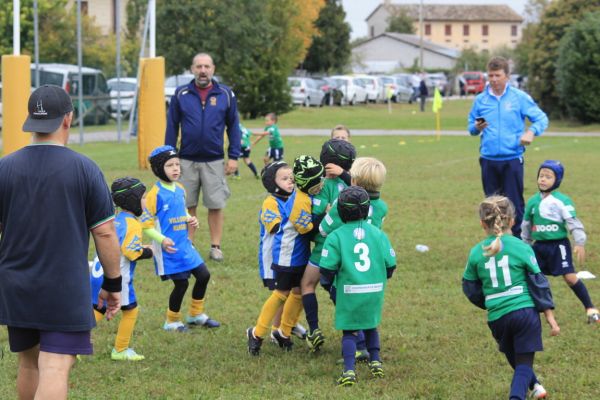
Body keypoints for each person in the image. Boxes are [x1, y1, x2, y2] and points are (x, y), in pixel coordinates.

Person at [0, 85, 122, 400]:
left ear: (30, 119)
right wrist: (113, 281)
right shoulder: (84, 169)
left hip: (16, 285)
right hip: (63, 287)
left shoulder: (5, 168)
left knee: (29, 364)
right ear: (68, 119)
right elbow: (106, 233)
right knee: (54, 366)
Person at [463, 196, 560, 400]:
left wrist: (490, 301)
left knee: (514, 356)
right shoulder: (522, 247)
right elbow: (539, 282)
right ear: (513, 221)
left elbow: (470, 288)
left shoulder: (476, 253)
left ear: (482, 223)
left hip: (497, 317)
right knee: (523, 363)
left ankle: (535, 386)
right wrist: (549, 314)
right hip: (524, 313)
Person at [165, 52, 241, 262]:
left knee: (215, 205)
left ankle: (215, 246)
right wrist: (170, 157)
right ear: (192, 69)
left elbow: (234, 126)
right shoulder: (181, 94)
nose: (203, 71)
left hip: (214, 160)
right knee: (187, 205)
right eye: (199, 66)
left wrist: (234, 155)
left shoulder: (225, 94)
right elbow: (171, 126)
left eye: (206, 66)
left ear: (213, 69)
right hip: (186, 160)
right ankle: (188, 245)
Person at [320, 186, 397, 386]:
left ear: (341, 211)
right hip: (374, 290)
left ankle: (349, 371)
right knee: (371, 326)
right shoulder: (378, 234)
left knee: (350, 331)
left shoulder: (335, 236)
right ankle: (376, 362)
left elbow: (326, 270)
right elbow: (391, 264)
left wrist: (329, 286)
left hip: (349, 291)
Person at [468, 56, 549, 238]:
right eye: (491, 75)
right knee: (491, 204)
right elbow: (471, 127)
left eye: (498, 75)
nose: (494, 79)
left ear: (507, 76)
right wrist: (476, 127)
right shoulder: (481, 100)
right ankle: (495, 239)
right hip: (488, 159)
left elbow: (541, 118)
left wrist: (531, 132)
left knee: (514, 203)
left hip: (512, 158)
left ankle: (519, 240)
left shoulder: (519, 98)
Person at [142, 145, 220, 332]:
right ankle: (172, 321)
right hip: (169, 249)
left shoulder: (180, 189)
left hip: (184, 244)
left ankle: (195, 315)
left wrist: (189, 218)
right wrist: (162, 240)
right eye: (170, 165)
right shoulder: (154, 195)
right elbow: (146, 226)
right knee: (181, 283)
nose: (176, 168)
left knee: (203, 275)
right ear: (159, 169)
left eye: (177, 164)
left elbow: (181, 210)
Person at [319, 157, 389, 363]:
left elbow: (323, 230)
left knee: (345, 301)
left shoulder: (345, 203)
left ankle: (358, 346)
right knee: (366, 303)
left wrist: (328, 212)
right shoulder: (382, 207)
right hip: (372, 265)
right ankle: (367, 344)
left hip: (346, 264)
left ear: (355, 182)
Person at [247, 161, 314, 356]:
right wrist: (301, 221)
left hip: (301, 255)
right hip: (285, 256)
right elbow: (275, 226)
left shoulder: (296, 197)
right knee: (281, 294)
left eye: (291, 178)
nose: (290, 182)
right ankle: (257, 333)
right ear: (272, 183)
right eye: (284, 179)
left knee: (300, 291)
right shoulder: (271, 202)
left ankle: (283, 332)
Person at [521, 160, 600, 324]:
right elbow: (526, 225)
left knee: (570, 278)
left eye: (548, 177)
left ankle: (590, 308)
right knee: (531, 276)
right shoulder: (532, 202)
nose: (543, 179)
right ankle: (535, 311)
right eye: (541, 176)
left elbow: (573, 222)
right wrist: (525, 245)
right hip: (539, 247)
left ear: (556, 180)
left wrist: (579, 242)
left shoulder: (562, 200)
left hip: (558, 246)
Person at [301, 139, 356, 352]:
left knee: (307, 284)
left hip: (324, 248)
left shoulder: (320, 186)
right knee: (339, 290)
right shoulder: (353, 183)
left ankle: (314, 329)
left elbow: (315, 222)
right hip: (347, 247)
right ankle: (355, 331)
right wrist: (344, 173)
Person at [90, 177, 154, 361]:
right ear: (133, 200)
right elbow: (131, 252)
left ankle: (72, 347)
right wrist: (148, 251)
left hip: (97, 272)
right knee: (131, 310)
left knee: (98, 309)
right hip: (116, 276)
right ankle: (120, 350)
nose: (145, 201)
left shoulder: (115, 220)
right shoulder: (133, 224)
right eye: (143, 197)